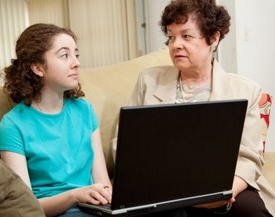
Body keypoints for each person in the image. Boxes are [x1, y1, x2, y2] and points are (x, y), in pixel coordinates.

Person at [112, 0, 275, 216]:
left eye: (186, 36)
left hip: (221, 183)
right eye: (171, 36)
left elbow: (248, 158)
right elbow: (122, 142)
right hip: (160, 184)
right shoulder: (148, 81)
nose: (175, 44)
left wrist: (224, 193)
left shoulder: (246, 90)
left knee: (250, 211)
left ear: (213, 38)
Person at [0, 23, 112, 217]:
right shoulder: (13, 125)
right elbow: (25, 207)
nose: (76, 63)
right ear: (37, 67)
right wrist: (75, 195)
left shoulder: (85, 111)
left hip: (96, 210)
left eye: (76, 54)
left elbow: (103, 183)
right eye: (64, 55)